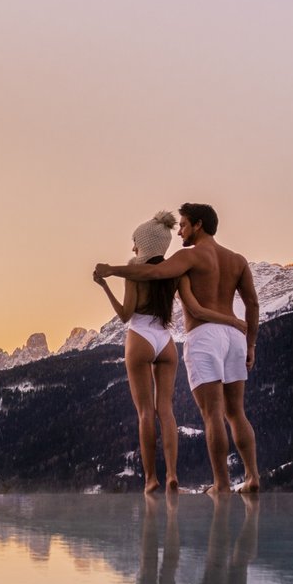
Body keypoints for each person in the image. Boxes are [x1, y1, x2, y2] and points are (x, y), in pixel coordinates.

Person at [95, 202, 261, 495]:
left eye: (183, 225)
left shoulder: (189, 257)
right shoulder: (237, 260)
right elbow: (253, 304)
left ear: (198, 225)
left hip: (202, 336)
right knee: (236, 412)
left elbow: (152, 274)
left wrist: (111, 271)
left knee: (211, 414)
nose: (180, 231)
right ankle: (252, 477)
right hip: (234, 336)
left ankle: (219, 484)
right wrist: (250, 343)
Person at [94, 211, 186, 493]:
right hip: (165, 340)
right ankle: (172, 474)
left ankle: (151, 478)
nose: (133, 248)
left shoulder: (134, 274)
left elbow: (125, 315)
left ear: (145, 244)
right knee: (166, 410)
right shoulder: (173, 272)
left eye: (136, 242)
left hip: (140, 336)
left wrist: (105, 286)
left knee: (145, 412)